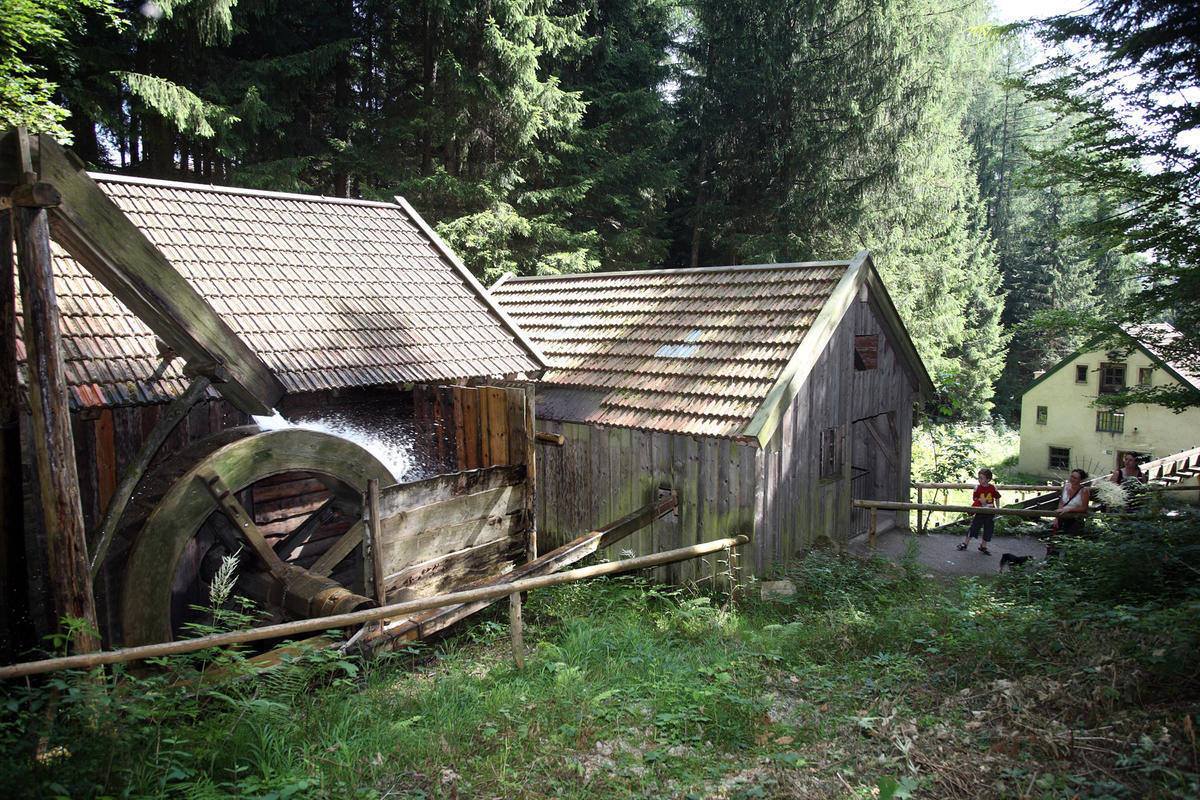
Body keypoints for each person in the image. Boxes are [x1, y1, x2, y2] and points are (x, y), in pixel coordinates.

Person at [956, 468, 1002, 555]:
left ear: (988, 479)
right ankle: (965, 543)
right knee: (974, 527)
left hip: (990, 511)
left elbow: (997, 497)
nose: (980, 480)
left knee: (988, 529)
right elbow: (974, 498)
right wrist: (980, 500)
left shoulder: (992, 488)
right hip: (980, 511)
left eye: (982, 478)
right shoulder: (977, 488)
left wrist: (998, 508)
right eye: (979, 478)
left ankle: (983, 546)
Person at [1055, 468, 1090, 536]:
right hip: (1062, 517)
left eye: (1075, 478)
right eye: (1072, 476)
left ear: (1080, 480)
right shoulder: (1065, 486)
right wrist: (1056, 518)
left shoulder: (1084, 491)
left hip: (1075, 520)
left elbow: (1084, 508)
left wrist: (1069, 510)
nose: (1072, 479)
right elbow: (1061, 503)